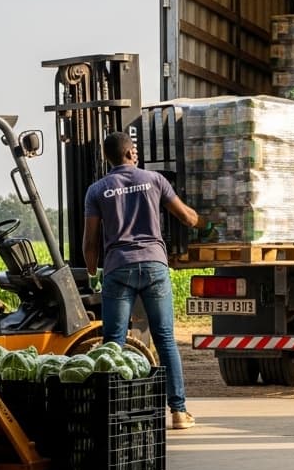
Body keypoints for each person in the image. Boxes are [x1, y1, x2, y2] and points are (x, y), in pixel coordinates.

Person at [82, 131, 214, 431]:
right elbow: (187, 218)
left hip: (118, 268)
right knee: (165, 338)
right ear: (131, 153)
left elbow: (90, 241)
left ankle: (112, 412)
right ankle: (179, 412)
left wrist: (92, 270)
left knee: (113, 342)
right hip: (154, 265)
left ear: (109, 157)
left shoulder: (97, 190)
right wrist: (207, 224)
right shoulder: (154, 180)